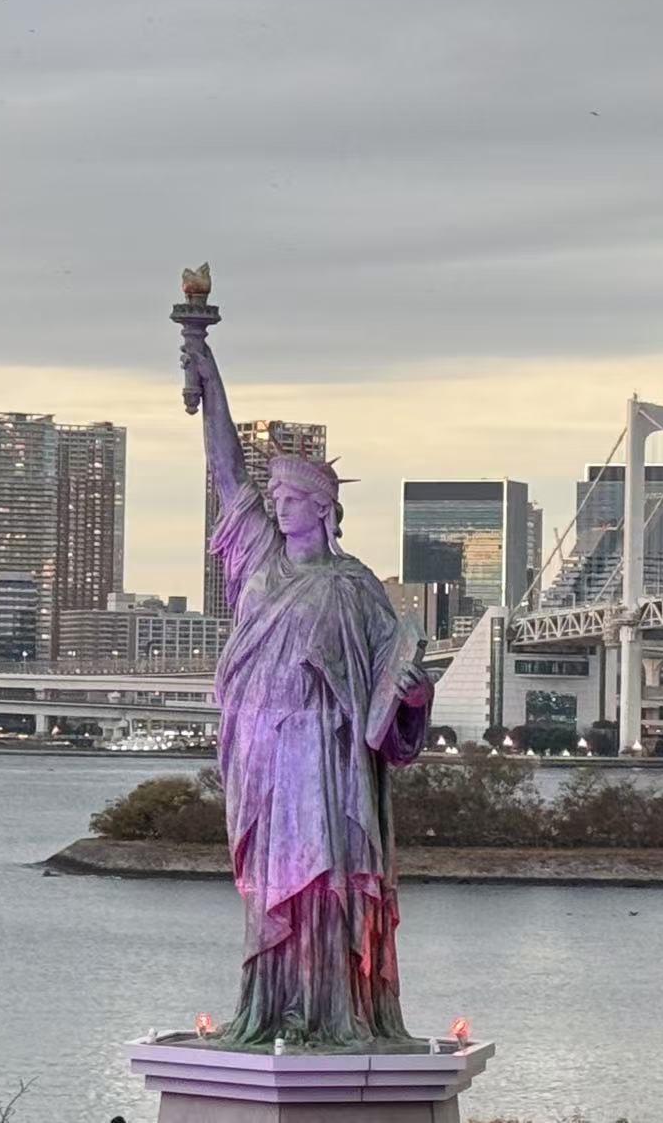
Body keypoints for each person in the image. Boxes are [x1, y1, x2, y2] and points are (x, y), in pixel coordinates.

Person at [182, 333, 432, 1049]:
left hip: (325, 755)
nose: (278, 506)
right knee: (270, 885)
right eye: (276, 497)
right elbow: (225, 473)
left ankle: (329, 1009)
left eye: (291, 497)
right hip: (261, 749)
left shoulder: (356, 587)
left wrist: (412, 696)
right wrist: (210, 376)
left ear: (323, 508)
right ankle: (272, 1004)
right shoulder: (256, 557)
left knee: (324, 882)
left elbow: (397, 680)